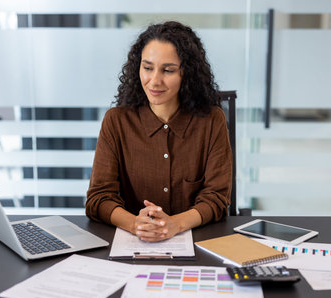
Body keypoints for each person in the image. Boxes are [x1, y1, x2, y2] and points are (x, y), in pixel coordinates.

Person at [86, 21, 232, 242]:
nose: (154, 81)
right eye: (147, 67)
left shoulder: (212, 121)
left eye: (168, 70)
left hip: (195, 242)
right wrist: (135, 224)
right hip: (133, 243)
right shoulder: (116, 121)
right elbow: (98, 199)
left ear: (187, 74)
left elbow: (217, 199)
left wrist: (175, 224)